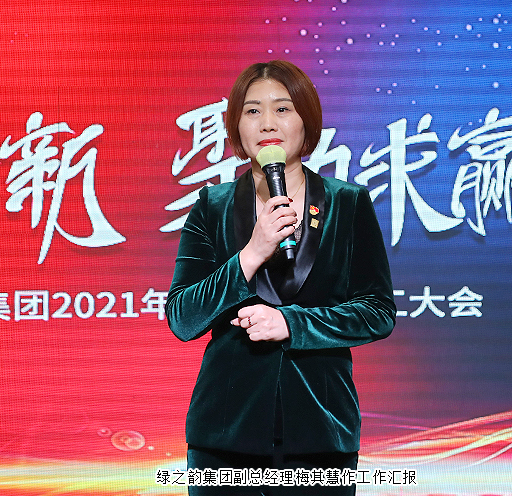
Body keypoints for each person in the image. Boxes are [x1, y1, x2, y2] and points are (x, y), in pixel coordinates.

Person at [165, 60, 396, 495]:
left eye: (283, 109)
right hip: (225, 435)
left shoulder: (348, 203)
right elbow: (182, 317)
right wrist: (251, 254)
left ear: (306, 122)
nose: (267, 123)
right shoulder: (211, 207)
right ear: (236, 127)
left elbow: (377, 311)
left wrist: (293, 323)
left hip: (321, 432)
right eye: (252, 111)